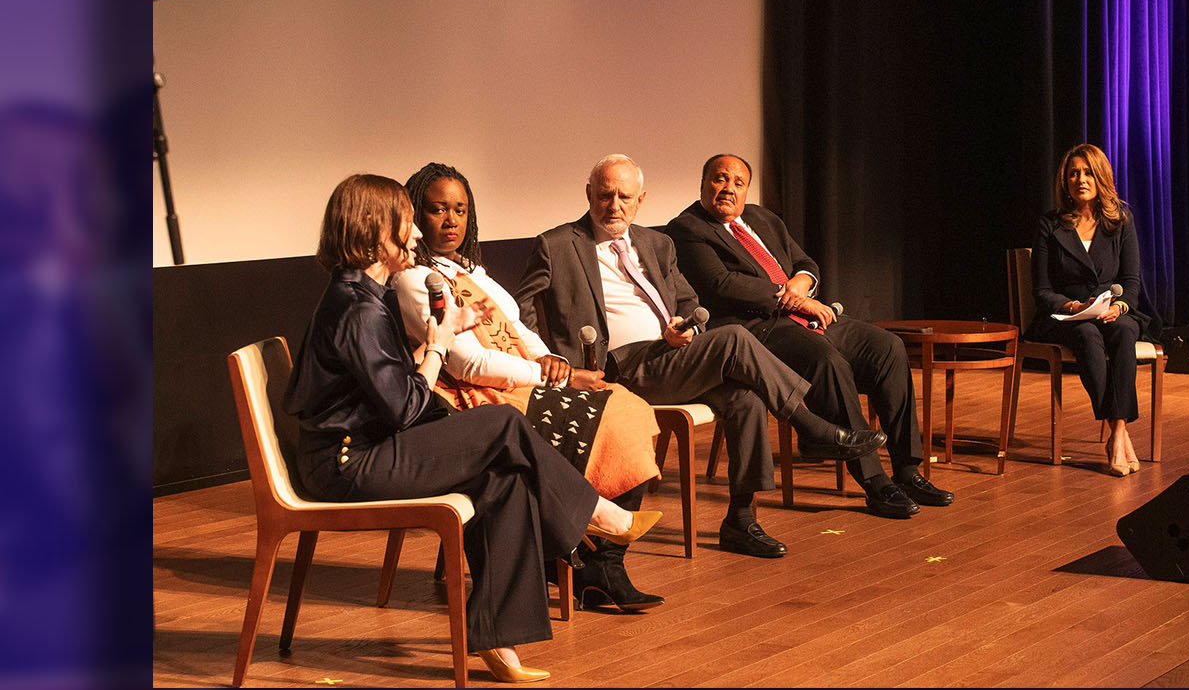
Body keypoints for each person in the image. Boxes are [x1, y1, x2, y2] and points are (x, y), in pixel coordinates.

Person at [283, 173, 660, 683]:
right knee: (503, 422)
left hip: (369, 449)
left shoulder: (363, 297)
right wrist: (438, 343)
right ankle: (596, 516)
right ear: (376, 232)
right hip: (348, 464)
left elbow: (395, 394)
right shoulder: (355, 307)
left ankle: (497, 639)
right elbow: (406, 408)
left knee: (503, 479)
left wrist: (434, 344)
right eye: (407, 223)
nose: (417, 234)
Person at [515, 154, 885, 559]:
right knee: (734, 339)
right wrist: (550, 359)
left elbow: (688, 300)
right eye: (605, 196)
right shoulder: (557, 244)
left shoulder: (657, 243)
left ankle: (740, 520)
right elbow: (520, 310)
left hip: (670, 356)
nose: (614, 206)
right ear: (589, 194)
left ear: (641, 199)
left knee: (746, 398)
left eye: (624, 196)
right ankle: (811, 425)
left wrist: (686, 325)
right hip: (615, 368)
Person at [390, 161, 665, 613]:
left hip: (520, 379)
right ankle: (578, 555)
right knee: (612, 414)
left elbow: (519, 327)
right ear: (416, 215)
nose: (452, 220)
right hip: (473, 396)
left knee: (628, 407)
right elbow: (469, 362)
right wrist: (549, 375)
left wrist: (548, 359)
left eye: (460, 209)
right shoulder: (416, 279)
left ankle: (602, 564)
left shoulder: (471, 270)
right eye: (438, 210)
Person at [666, 154, 954, 518]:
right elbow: (722, 286)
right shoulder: (688, 228)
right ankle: (876, 482)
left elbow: (806, 264)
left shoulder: (762, 218)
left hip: (805, 315)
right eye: (720, 179)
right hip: (757, 328)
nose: (728, 189)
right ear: (704, 181)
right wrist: (791, 300)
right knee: (827, 362)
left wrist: (802, 285)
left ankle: (908, 470)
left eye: (738, 183)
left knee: (888, 348)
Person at [1027, 144, 1153, 476]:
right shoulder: (1050, 225)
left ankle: (1119, 432)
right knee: (1085, 333)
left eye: (1087, 172)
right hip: (1064, 316)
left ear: (1101, 178)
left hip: (1109, 310)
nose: (1080, 179)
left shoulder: (1121, 221)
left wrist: (1119, 306)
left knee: (1125, 329)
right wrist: (1072, 305)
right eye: (1073, 173)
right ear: (1064, 182)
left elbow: (1130, 281)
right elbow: (1041, 290)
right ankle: (1118, 431)